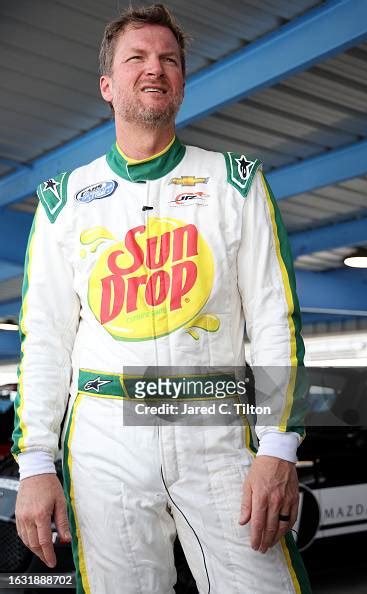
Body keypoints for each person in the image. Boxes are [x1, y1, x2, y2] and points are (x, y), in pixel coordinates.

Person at [12, 4, 311, 593]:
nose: (156, 69)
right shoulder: (62, 200)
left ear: (181, 80)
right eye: (137, 58)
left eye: (169, 59)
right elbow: (44, 339)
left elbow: (277, 322)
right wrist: (36, 464)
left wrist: (279, 446)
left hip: (217, 431)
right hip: (103, 438)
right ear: (107, 84)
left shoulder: (236, 181)